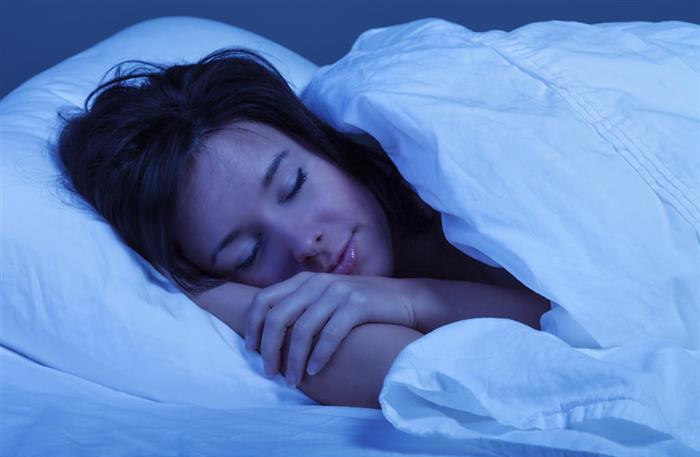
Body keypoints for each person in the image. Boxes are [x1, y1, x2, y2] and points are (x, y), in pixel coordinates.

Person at [57, 48, 551, 408]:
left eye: (294, 185)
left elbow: (579, 319)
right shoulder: (310, 295)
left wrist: (414, 299)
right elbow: (447, 377)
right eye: (248, 253)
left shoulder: (449, 173)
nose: (303, 243)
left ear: (321, 143)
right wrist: (206, 293)